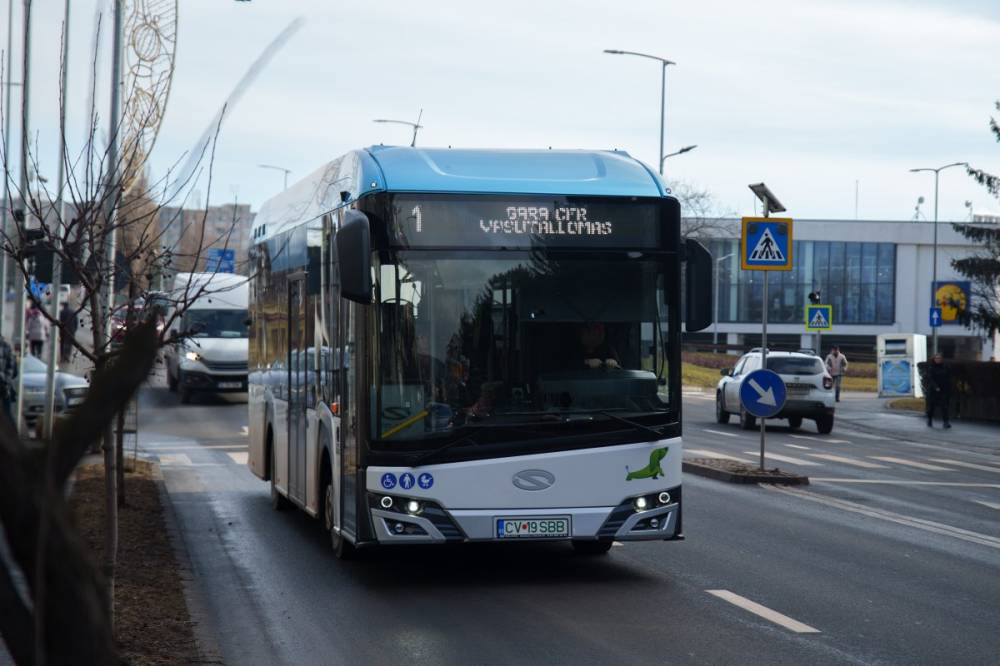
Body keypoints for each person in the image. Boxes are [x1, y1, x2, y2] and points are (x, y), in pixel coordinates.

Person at [924, 353, 952, 428]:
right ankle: (929, 419)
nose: (938, 360)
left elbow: (948, 377)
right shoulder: (931, 368)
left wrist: (948, 387)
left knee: (944, 406)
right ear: (934, 359)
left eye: (939, 358)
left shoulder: (945, 367)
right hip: (933, 390)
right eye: (936, 358)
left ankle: (946, 422)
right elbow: (930, 378)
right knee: (931, 406)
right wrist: (935, 387)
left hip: (943, 389)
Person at [0, 333, 16, 424]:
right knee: (7, 413)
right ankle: (13, 436)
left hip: (3, 384)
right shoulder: (6, 346)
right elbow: (12, 369)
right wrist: (7, 382)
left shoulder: (6, 346)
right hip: (4, 384)